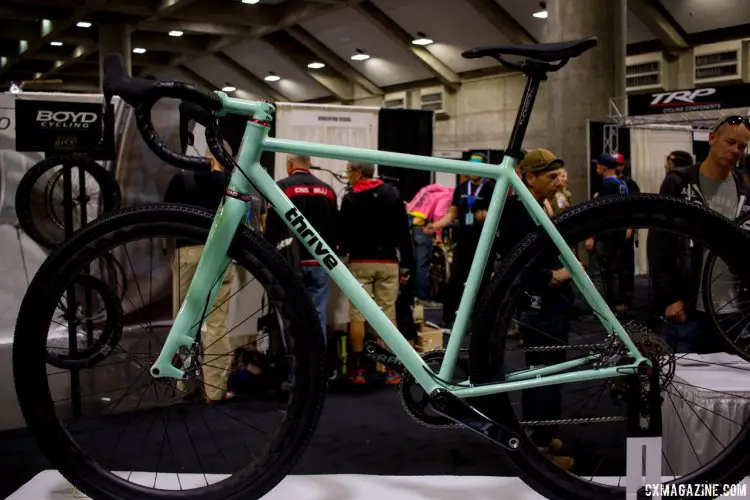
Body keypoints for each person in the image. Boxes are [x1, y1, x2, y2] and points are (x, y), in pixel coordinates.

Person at [496, 148, 574, 470]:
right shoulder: (518, 212)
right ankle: (541, 449)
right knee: (543, 373)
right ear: (529, 178)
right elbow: (514, 257)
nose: (558, 182)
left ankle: (542, 433)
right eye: (550, 177)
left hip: (551, 301)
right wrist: (553, 276)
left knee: (546, 372)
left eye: (558, 176)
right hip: (541, 301)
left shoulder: (539, 205)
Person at [648, 115, 750, 353]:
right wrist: (669, 296)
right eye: (730, 142)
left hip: (733, 312)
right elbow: (659, 243)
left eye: (742, 146)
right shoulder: (679, 183)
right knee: (682, 384)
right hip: (687, 308)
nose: (736, 150)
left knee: (729, 386)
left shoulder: (744, 189)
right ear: (712, 138)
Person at [163, 142, 237, 403]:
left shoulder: (181, 179)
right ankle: (215, 391)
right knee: (216, 324)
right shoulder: (229, 183)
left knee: (186, 322)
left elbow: (165, 217)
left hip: (187, 253)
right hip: (219, 254)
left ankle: (186, 386)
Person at [339, 161, 414, 385]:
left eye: (349, 171)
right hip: (388, 262)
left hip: (360, 261)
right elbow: (403, 231)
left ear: (359, 173)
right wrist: (406, 264)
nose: (347, 175)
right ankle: (392, 371)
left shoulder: (350, 199)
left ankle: (358, 369)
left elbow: (343, 234)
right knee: (388, 317)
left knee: (357, 316)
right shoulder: (392, 194)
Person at [264, 154, 339, 337]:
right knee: (318, 315)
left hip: (290, 261)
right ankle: (318, 364)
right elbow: (335, 230)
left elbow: (272, 228)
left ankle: (296, 363)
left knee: (293, 316)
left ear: (290, 165)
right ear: (309, 164)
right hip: (320, 262)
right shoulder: (328, 191)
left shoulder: (282, 188)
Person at [424, 153, 496, 326]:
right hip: (464, 241)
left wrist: (487, 214)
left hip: (484, 243)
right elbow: (452, 214)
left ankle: (480, 323)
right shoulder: (462, 188)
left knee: (482, 282)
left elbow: (500, 212)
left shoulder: (491, 188)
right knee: (455, 278)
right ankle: (448, 318)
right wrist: (435, 226)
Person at [586, 153, 631, 311]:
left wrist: (593, 236)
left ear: (604, 167)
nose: (596, 168)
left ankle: (599, 308)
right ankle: (613, 303)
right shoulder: (622, 184)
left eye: (598, 165)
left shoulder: (606, 185)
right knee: (613, 271)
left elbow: (600, 213)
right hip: (618, 233)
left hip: (605, 235)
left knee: (597, 272)